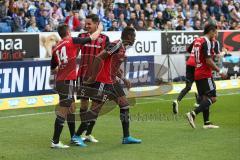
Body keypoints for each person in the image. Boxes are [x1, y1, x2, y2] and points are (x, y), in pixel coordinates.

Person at [82, 26, 142, 144]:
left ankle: (126, 137)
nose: (135, 39)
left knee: (124, 105)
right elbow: (99, 57)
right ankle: (81, 134)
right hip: (104, 81)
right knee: (95, 109)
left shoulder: (122, 48)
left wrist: (123, 78)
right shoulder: (116, 45)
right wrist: (93, 77)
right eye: (134, 36)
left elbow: (114, 66)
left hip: (113, 82)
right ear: (129, 36)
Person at [50, 24, 102, 149]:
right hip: (66, 81)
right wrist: (100, 28)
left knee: (71, 108)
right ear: (68, 31)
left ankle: (73, 136)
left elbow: (53, 69)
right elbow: (92, 37)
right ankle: (55, 141)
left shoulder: (56, 47)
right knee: (63, 110)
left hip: (62, 81)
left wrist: (64, 67)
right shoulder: (71, 40)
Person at [75, 14, 110, 144]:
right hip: (83, 76)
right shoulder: (82, 37)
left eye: (89, 24)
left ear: (97, 24)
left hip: (98, 77)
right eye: (86, 23)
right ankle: (81, 133)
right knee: (84, 105)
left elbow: (107, 58)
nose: (87, 26)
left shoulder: (105, 38)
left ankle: (88, 133)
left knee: (96, 107)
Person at [185, 24, 227, 129]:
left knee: (205, 98)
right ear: (211, 31)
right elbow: (208, 61)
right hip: (205, 73)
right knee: (213, 98)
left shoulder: (198, 40)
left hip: (197, 72)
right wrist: (220, 71)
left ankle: (206, 123)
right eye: (215, 32)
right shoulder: (206, 41)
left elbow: (189, 50)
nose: (216, 34)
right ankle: (193, 113)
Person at [172, 37, 221, 114]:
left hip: (189, 64)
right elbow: (212, 55)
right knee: (203, 85)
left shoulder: (197, 40)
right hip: (197, 64)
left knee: (188, 86)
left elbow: (188, 49)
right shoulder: (209, 42)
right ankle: (200, 104)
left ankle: (177, 100)